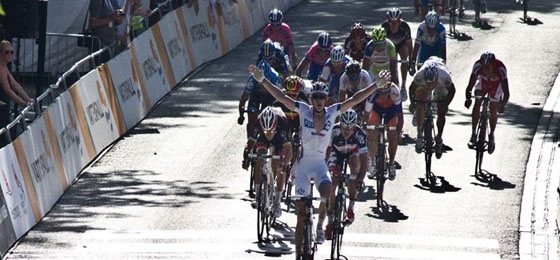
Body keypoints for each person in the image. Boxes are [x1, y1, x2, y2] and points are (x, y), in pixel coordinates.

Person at [248, 63, 381, 260]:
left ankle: (322, 223)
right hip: (303, 167)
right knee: (301, 214)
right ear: (311, 98)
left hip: (320, 166)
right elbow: (280, 97)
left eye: (322, 97)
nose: (319, 100)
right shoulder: (303, 110)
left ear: (326, 99)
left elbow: (355, 99)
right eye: (316, 97)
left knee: (327, 193)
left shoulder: (332, 111)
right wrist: (262, 80)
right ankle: (300, 253)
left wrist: (376, 85)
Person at [243, 106, 292, 218]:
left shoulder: (281, 124)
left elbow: (289, 150)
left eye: (271, 131)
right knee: (260, 157)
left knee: (280, 165)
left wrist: (284, 164)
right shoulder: (259, 123)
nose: (268, 133)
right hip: (262, 139)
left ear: (275, 126)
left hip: (279, 138)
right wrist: (246, 158)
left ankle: (277, 202)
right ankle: (258, 195)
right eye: (266, 131)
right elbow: (250, 143)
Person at [326, 109, 368, 228]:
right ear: (340, 124)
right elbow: (326, 154)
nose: (346, 131)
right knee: (332, 185)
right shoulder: (333, 131)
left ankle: (351, 208)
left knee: (355, 164)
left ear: (354, 126)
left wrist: (360, 179)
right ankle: (330, 220)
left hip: (352, 152)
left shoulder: (360, 135)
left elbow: (364, 161)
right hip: (336, 152)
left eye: (350, 128)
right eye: (344, 127)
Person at [409, 56, 455, 159]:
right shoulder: (420, 76)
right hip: (423, 81)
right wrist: (413, 104)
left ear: (436, 79)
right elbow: (412, 88)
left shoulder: (444, 77)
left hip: (441, 86)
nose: (430, 85)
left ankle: (439, 138)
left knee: (441, 110)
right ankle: (420, 134)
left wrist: (446, 104)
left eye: (432, 83)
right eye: (428, 83)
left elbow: (452, 91)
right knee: (420, 100)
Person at [464, 52, 509, 154]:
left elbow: (506, 92)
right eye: (484, 67)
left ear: (493, 65)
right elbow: (470, 86)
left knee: (493, 107)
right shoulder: (477, 66)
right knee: (477, 102)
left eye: (488, 67)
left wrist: (502, 104)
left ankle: (491, 135)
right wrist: (468, 98)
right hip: (483, 82)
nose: (486, 69)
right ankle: (473, 134)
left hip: (496, 84)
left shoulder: (501, 69)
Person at [363, 70, 402, 180]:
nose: (383, 94)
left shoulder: (395, 91)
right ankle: (372, 162)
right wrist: (365, 127)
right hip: (376, 110)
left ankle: (391, 163)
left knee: (393, 137)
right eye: (381, 92)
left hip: (391, 110)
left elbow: (399, 114)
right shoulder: (372, 92)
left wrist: (399, 131)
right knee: (371, 134)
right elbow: (366, 114)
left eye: (386, 92)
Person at [0, 41, 33, 147]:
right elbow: (8, 90)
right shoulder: (0, 68)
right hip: (1, 108)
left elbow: (15, 84)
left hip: (3, 107)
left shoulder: (4, 67)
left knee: (5, 135)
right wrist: (22, 103)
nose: (10, 55)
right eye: (6, 52)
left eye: (11, 52)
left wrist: (28, 99)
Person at [238, 60, 282, 138]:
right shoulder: (252, 79)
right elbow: (243, 99)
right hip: (256, 95)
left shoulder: (275, 77)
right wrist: (241, 116)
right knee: (252, 118)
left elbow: (282, 98)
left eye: (265, 84)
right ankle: (250, 141)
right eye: (261, 84)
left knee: (270, 115)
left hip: (270, 95)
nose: (263, 86)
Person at [382, 7, 413, 101]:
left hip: (401, 45)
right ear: (388, 21)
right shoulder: (384, 27)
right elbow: (381, 45)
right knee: (392, 61)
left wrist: (411, 60)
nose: (394, 25)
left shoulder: (405, 27)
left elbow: (409, 44)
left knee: (404, 56)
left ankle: (403, 87)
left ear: (400, 21)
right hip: (390, 46)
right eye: (391, 22)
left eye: (397, 22)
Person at [338, 60, 372, 124]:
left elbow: (370, 97)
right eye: (351, 78)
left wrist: (366, 114)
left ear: (360, 75)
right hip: (350, 94)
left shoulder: (365, 76)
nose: (354, 81)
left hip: (364, 94)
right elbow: (342, 99)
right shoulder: (343, 78)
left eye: (356, 78)